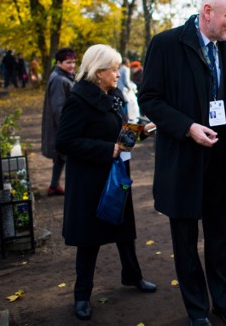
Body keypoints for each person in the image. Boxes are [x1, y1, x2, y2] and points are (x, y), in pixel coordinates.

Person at [139, 0, 226, 326]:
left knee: (220, 235)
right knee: (186, 240)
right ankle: (196, 309)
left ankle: (225, 303)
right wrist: (187, 126)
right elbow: (150, 99)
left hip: (221, 158)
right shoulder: (165, 45)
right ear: (207, 12)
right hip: (183, 160)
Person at [56, 44, 157, 321]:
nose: (118, 73)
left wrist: (143, 132)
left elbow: (119, 132)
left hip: (115, 174)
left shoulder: (111, 95)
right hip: (90, 179)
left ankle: (132, 276)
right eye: (113, 68)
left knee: (124, 230)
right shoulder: (79, 100)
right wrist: (106, 150)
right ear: (99, 71)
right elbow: (64, 142)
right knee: (89, 240)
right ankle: (82, 295)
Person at [41, 48, 76, 196]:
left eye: (74, 62)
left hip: (60, 127)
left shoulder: (62, 76)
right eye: (68, 62)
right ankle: (75, 190)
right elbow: (58, 108)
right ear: (59, 63)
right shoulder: (59, 79)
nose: (72, 65)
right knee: (71, 159)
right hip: (61, 127)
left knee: (60, 158)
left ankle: (54, 186)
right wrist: (67, 130)